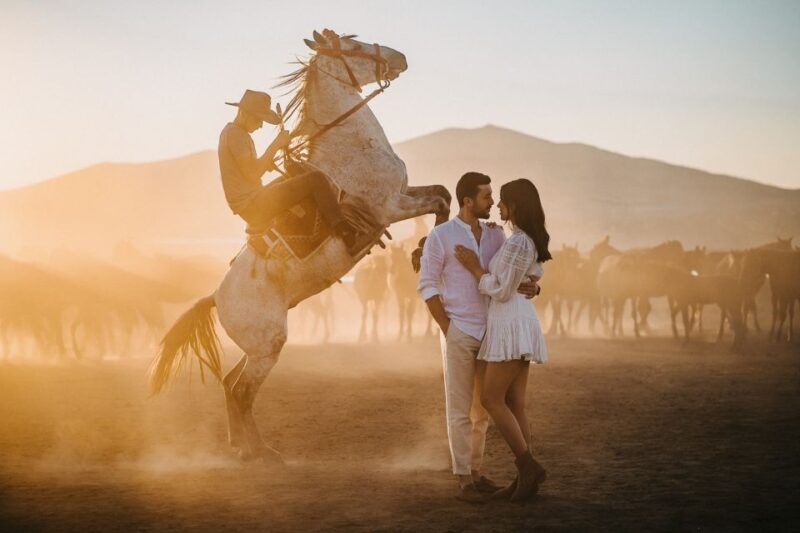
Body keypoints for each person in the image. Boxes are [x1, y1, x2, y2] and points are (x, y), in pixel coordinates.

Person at [417, 172, 539, 503]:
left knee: (482, 410)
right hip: (459, 331)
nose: (492, 201)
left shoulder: (498, 236)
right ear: (468, 201)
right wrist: (447, 328)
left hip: (493, 333)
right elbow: (426, 284)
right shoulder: (441, 236)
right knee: (458, 409)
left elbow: (512, 273)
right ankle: (464, 482)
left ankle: (475, 472)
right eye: (486, 196)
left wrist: (534, 286)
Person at [453, 178, 551, 502]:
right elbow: (520, 278)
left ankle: (528, 467)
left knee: (491, 400)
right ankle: (526, 477)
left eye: (503, 200)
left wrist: (474, 268)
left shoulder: (520, 242)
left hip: (510, 322)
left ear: (516, 205)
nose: (496, 205)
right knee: (515, 404)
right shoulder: (520, 239)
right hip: (517, 321)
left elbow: (502, 289)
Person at [218, 89, 362, 254]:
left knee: (294, 171)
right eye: (259, 119)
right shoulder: (236, 135)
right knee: (315, 179)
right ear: (244, 113)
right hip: (254, 205)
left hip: (252, 201)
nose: (260, 125)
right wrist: (276, 144)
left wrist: (267, 163)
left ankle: (330, 207)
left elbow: (249, 171)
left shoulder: (234, 133)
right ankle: (344, 230)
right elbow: (252, 173)